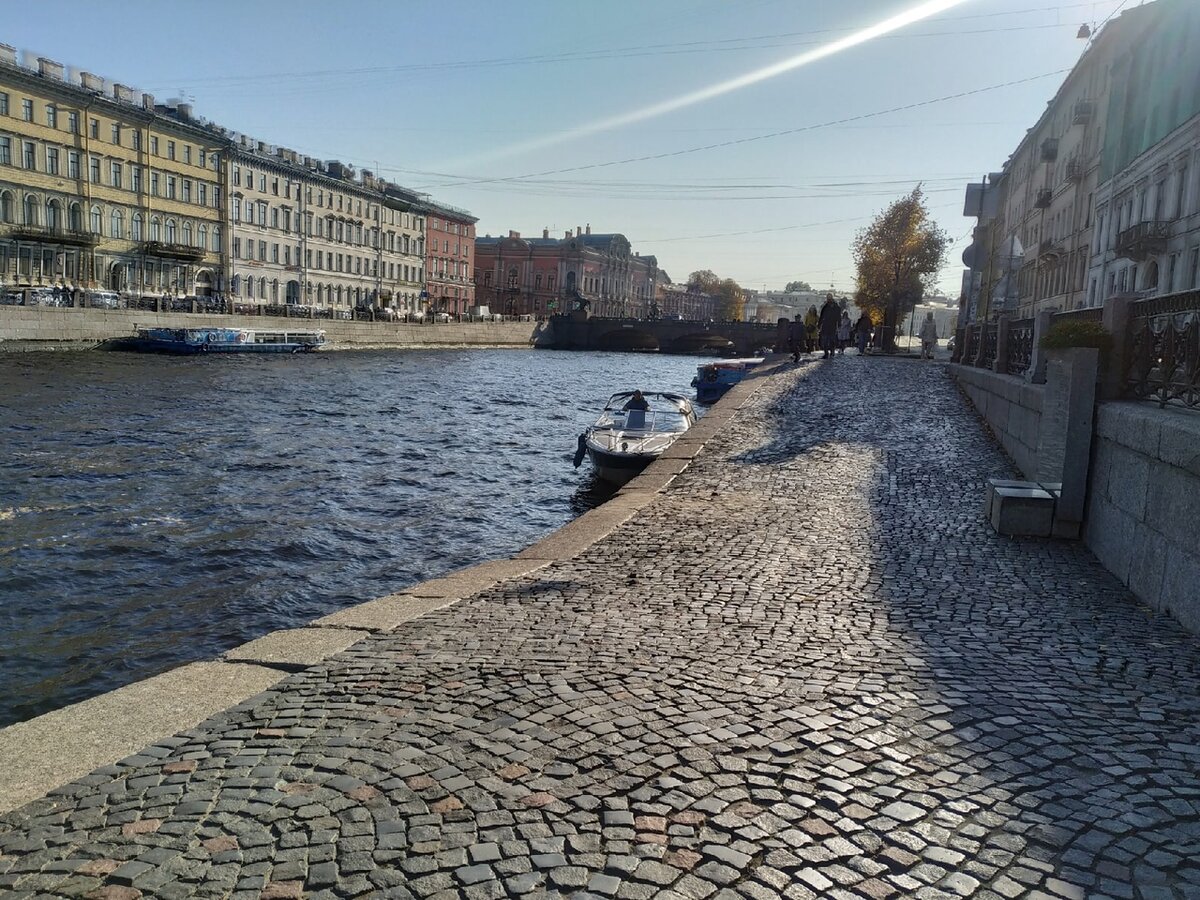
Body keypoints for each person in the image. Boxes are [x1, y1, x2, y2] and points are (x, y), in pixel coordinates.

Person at [818, 294, 840, 359]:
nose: (829, 300)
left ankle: (832, 352)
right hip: (825, 326)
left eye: (830, 298)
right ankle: (826, 353)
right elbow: (821, 316)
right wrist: (819, 324)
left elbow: (838, 316)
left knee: (831, 341)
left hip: (832, 326)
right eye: (828, 298)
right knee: (825, 341)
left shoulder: (836, 307)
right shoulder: (825, 307)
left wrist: (839, 324)